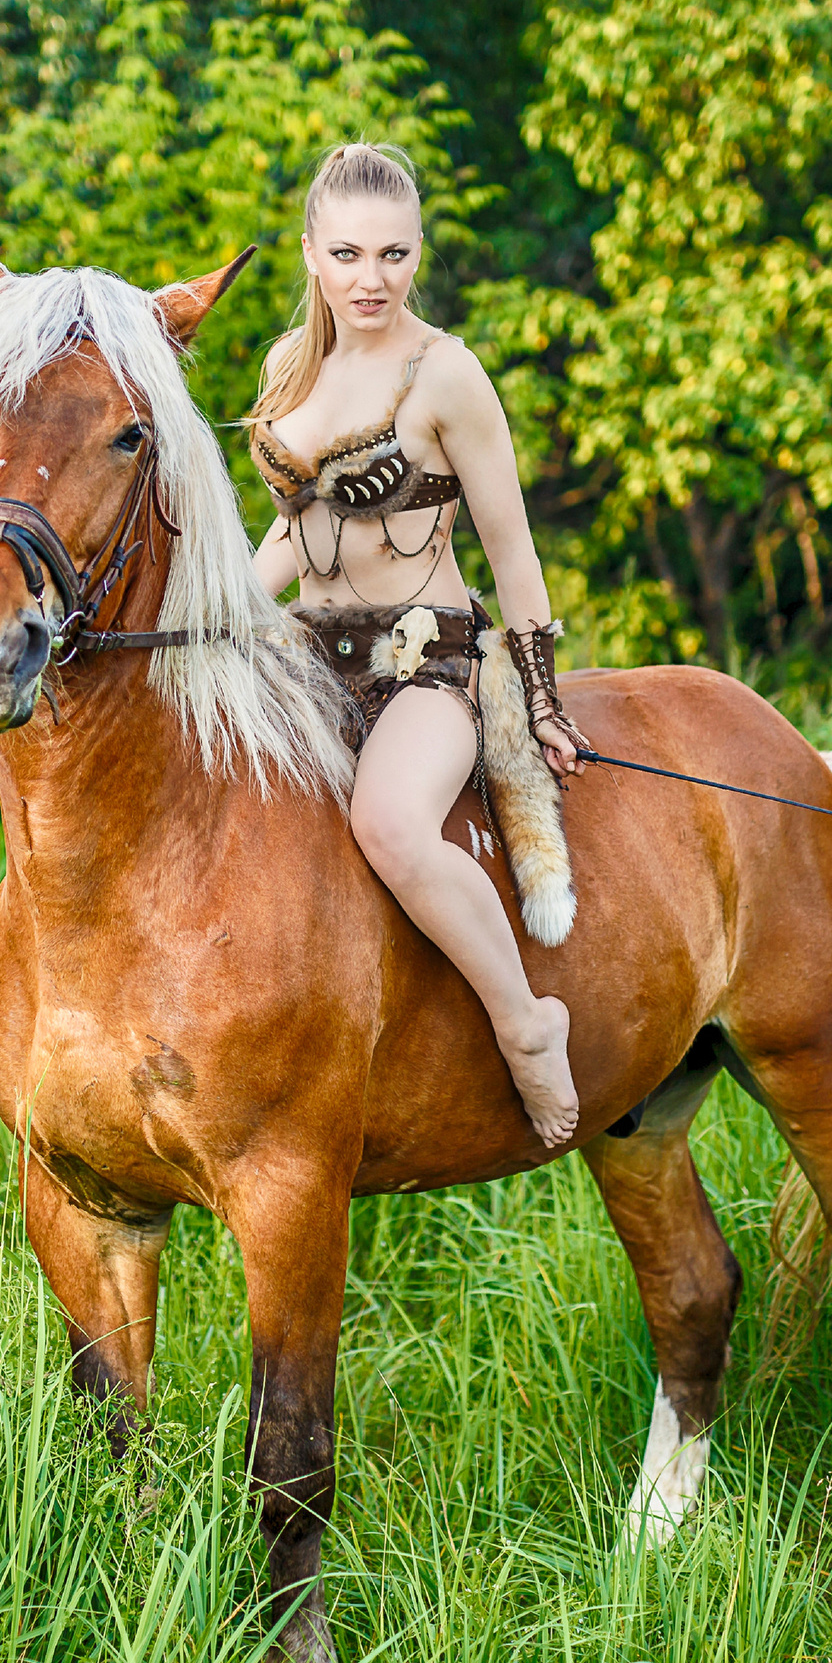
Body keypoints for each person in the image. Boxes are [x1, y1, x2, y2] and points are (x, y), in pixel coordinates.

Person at [247, 144, 587, 1147]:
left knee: (392, 824)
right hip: (306, 658)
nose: (372, 278)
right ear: (312, 253)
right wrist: (218, 605)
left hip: (424, 662)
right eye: (348, 253)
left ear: (417, 253)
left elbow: (513, 553)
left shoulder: (446, 374)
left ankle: (529, 1026)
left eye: (394, 254)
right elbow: (290, 532)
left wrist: (542, 698)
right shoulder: (287, 371)